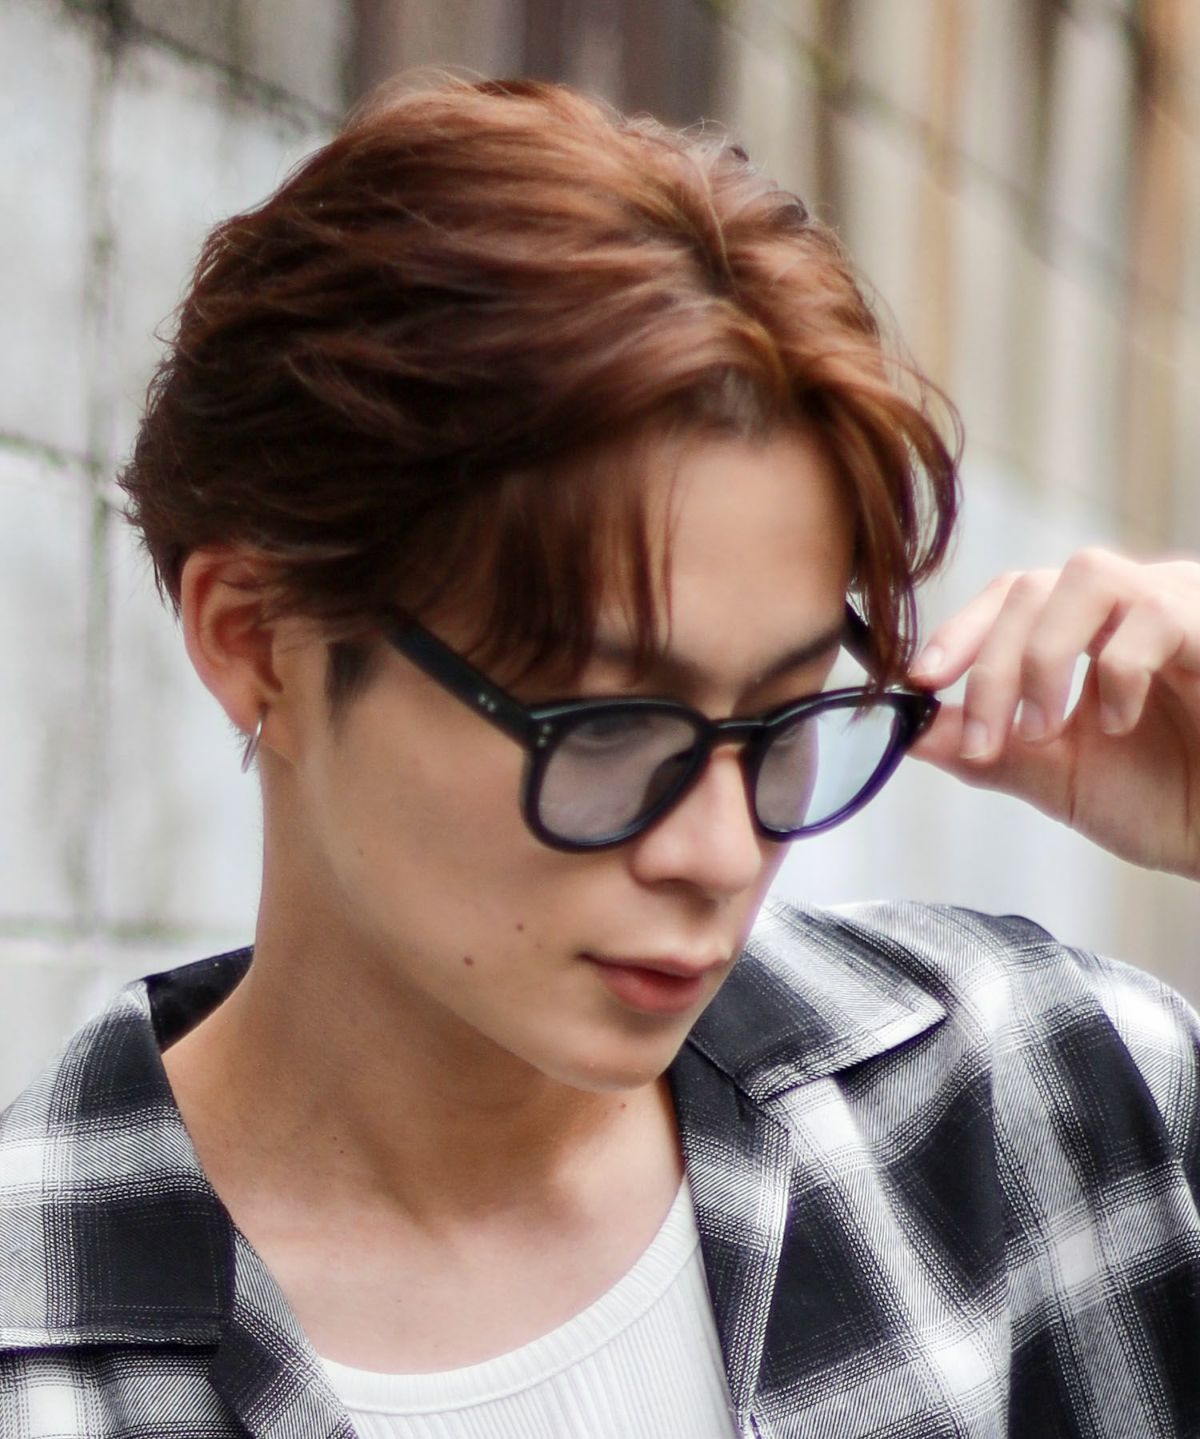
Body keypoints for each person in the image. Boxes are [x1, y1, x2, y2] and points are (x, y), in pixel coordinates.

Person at [1, 75, 1198, 1439]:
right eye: (608, 731)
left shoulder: (1032, 1113)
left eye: (782, 719)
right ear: (257, 638)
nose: (720, 853)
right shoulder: (45, 1365)